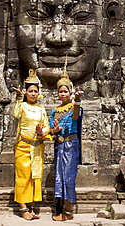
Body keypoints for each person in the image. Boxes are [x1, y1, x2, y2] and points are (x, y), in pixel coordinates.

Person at [12, 69, 51, 220]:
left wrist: (43, 131)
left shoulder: (41, 109)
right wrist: (18, 97)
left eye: (35, 91)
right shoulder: (22, 106)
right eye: (30, 91)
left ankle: (32, 207)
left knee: (35, 176)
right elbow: (15, 114)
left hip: (37, 147)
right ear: (26, 93)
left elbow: (47, 126)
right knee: (22, 177)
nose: (33, 94)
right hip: (23, 145)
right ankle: (23, 208)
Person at [49, 60, 83, 221]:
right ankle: (63, 208)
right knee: (59, 177)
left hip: (71, 145)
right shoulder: (54, 111)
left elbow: (76, 116)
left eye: (65, 92)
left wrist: (77, 101)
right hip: (59, 145)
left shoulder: (75, 107)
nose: (63, 94)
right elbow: (50, 129)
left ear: (70, 93)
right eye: (60, 92)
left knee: (69, 177)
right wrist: (53, 131)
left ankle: (68, 211)